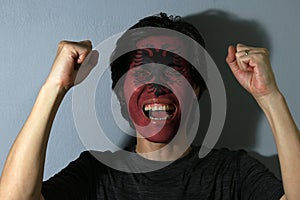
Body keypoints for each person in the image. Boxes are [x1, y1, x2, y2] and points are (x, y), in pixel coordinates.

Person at [0, 13, 299, 200]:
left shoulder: (232, 172)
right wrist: (55, 87)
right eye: (142, 71)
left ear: (196, 89)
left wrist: (269, 96)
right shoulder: (96, 172)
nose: (158, 85)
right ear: (120, 94)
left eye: (174, 71)